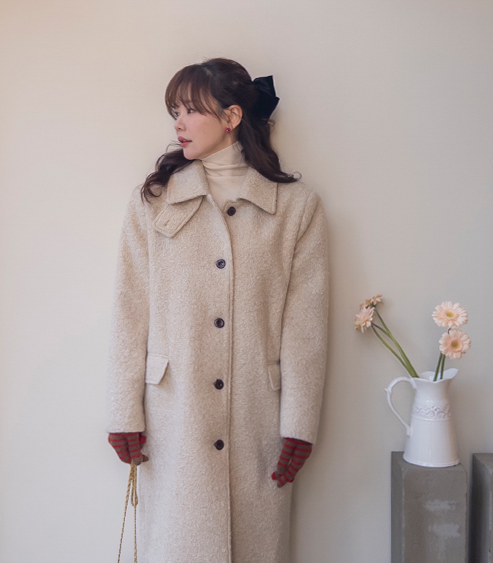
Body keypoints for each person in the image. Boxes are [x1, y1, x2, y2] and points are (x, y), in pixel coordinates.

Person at [105, 57, 329, 562]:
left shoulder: (296, 207)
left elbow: (305, 328)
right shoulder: (154, 201)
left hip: (257, 419)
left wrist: (300, 424)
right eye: (174, 112)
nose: (178, 123)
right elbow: (129, 312)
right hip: (173, 416)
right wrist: (123, 411)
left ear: (231, 117)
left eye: (190, 110)